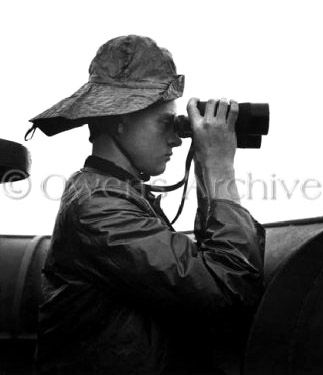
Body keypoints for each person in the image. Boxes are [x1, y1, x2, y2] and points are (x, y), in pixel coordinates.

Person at [28, 35, 265, 375]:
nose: (175, 138)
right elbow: (227, 291)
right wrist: (219, 167)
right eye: (165, 123)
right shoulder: (99, 206)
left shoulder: (114, 192)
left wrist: (206, 166)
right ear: (117, 121)